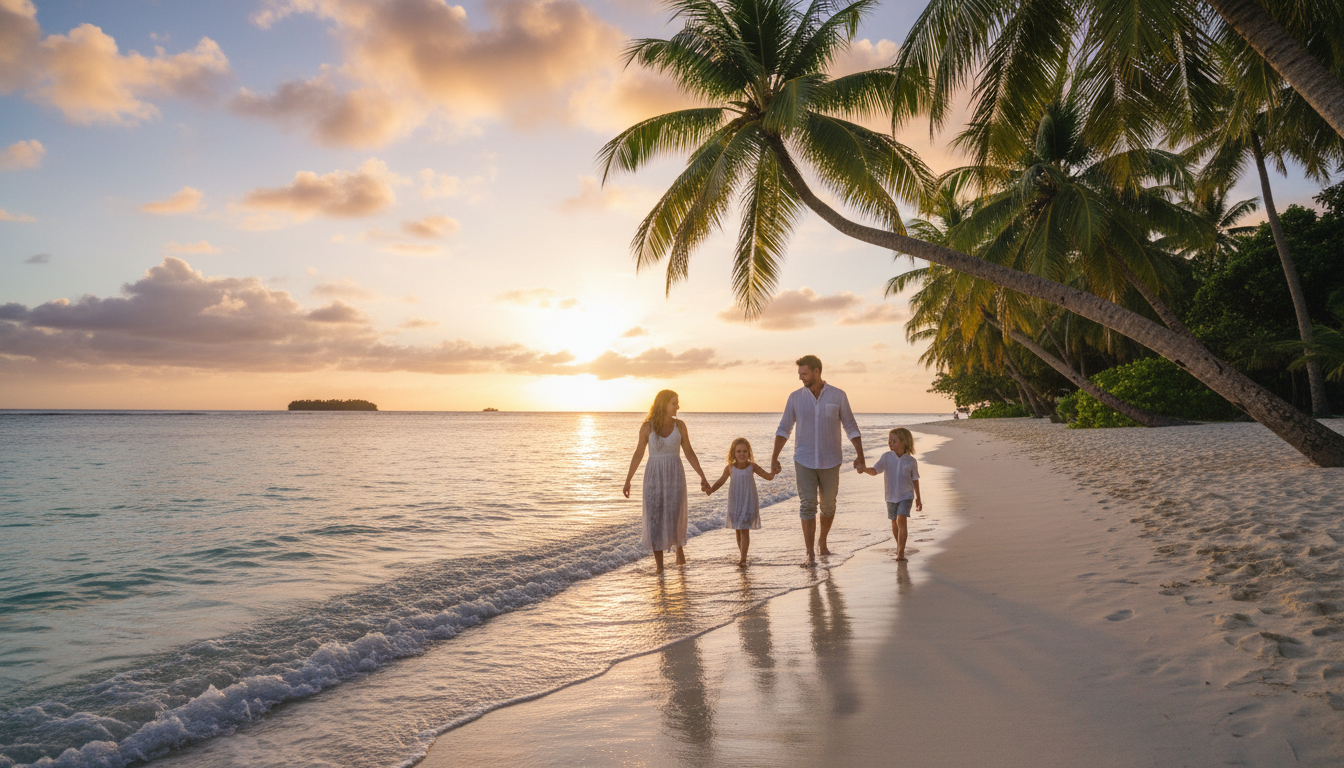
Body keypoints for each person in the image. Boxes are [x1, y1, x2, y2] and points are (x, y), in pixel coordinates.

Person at [769, 355, 864, 567]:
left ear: (816, 372)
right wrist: (774, 457)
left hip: (831, 460)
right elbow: (784, 428)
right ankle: (810, 553)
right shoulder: (795, 398)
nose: (801, 378)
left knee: (828, 505)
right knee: (807, 505)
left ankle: (823, 541)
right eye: (799, 374)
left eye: (804, 374)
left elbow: (850, 426)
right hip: (803, 459)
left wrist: (860, 455)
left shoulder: (838, 396)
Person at [623, 390, 712, 572]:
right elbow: (639, 453)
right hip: (654, 476)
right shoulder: (647, 427)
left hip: (674, 475)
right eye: (674, 403)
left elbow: (688, 451)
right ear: (663, 404)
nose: (678, 406)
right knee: (654, 518)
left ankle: (679, 547)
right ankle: (660, 567)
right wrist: (628, 480)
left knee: (674, 514)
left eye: (677, 403)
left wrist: (702, 475)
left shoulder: (680, 426)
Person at [706, 437, 776, 567]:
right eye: (738, 451)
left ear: (749, 453)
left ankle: (743, 559)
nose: (742, 454)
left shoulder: (752, 466)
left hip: (748, 501)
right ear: (733, 453)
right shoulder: (730, 468)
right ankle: (742, 555)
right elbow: (721, 481)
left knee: (744, 530)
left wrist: (774, 471)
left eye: (744, 451)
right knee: (737, 530)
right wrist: (711, 490)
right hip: (735, 501)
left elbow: (768, 477)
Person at [861, 428, 922, 561]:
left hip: (906, 495)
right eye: (889, 441)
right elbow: (875, 470)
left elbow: (915, 480)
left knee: (901, 519)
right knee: (894, 522)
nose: (891, 444)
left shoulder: (911, 461)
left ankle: (900, 553)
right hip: (890, 496)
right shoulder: (886, 457)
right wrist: (865, 469)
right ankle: (900, 546)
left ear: (903, 442)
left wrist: (918, 498)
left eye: (894, 441)